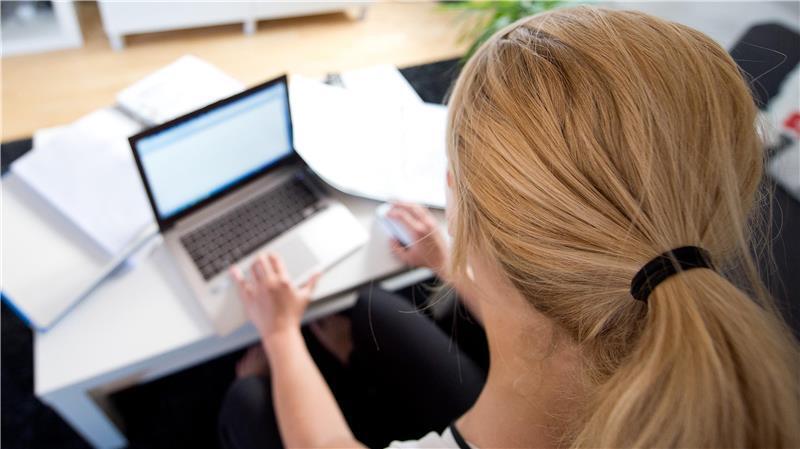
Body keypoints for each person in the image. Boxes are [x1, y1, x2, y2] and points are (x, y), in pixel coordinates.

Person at [218, 6, 800, 449]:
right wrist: (447, 262)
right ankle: (349, 350)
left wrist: (279, 335)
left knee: (247, 399)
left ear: (460, 202)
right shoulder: (675, 316)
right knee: (374, 315)